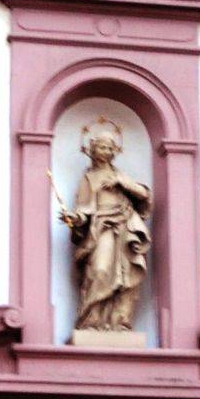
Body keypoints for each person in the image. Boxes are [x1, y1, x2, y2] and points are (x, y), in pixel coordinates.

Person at [59, 118, 152, 335]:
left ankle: (120, 322)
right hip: (101, 227)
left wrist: (121, 183)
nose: (106, 151)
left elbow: (144, 194)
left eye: (110, 148)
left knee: (127, 276)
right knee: (100, 270)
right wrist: (75, 218)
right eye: (102, 146)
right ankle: (91, 321)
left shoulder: (119, 175)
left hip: (125, 224)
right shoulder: (89, 178)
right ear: (92, 150)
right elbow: (84, 208)